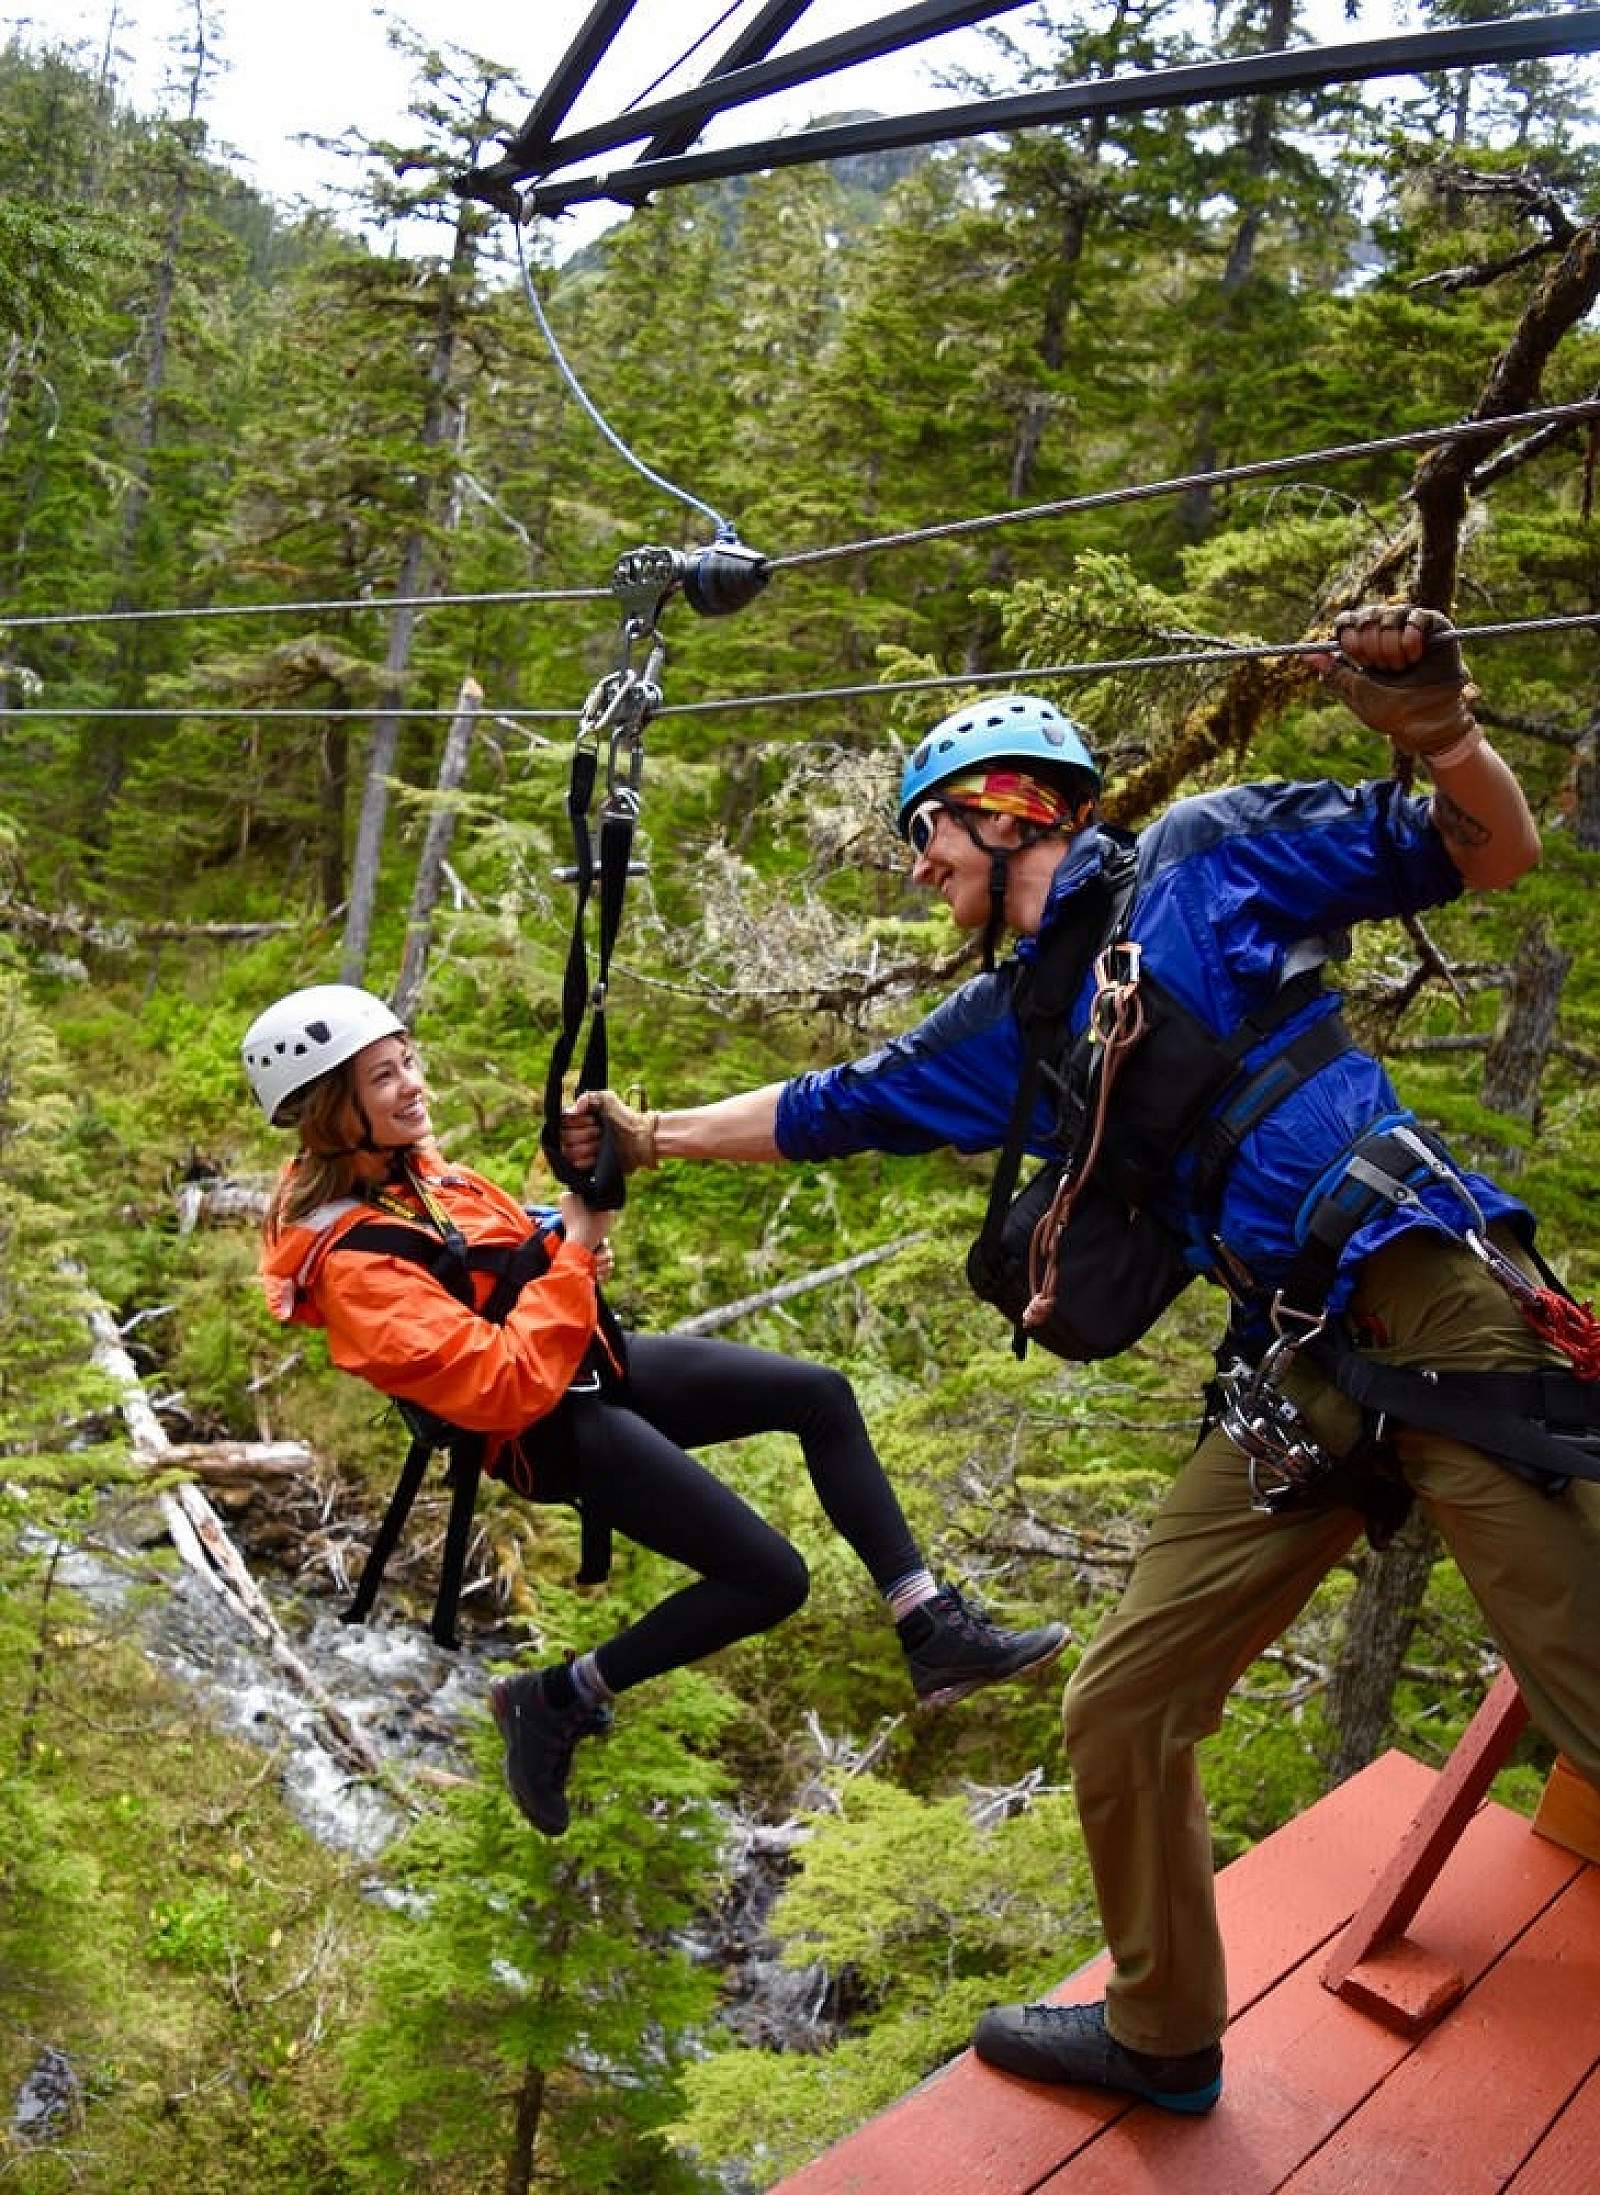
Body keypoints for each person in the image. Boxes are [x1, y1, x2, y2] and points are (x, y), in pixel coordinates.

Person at [563, 603, 1600, 2109]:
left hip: (1432, 1297)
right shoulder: (1015, 1020)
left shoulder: (1208, 853)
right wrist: (649, 1135)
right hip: (1298, 1363)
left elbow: (1485, 848)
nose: (921, 866)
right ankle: (1165, 2029)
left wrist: (1437, 728)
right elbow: (831, 1104)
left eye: (931, 834)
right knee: (1121, 1701)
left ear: (1012, 810)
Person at [239, 984, 1066, 1837]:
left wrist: (570, 1198)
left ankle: (928, 1624)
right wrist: (578, 1246)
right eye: (383, 1077)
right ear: (334, 1112)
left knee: (820, 1395)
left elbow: (502, 1252)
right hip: (549, 1429)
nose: (413, 1083)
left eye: (407, 1060)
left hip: (591, 1363)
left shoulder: (409, 1171)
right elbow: (500, 1381)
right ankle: (554, 1698)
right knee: (771, 1578)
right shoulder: (352, 1268)